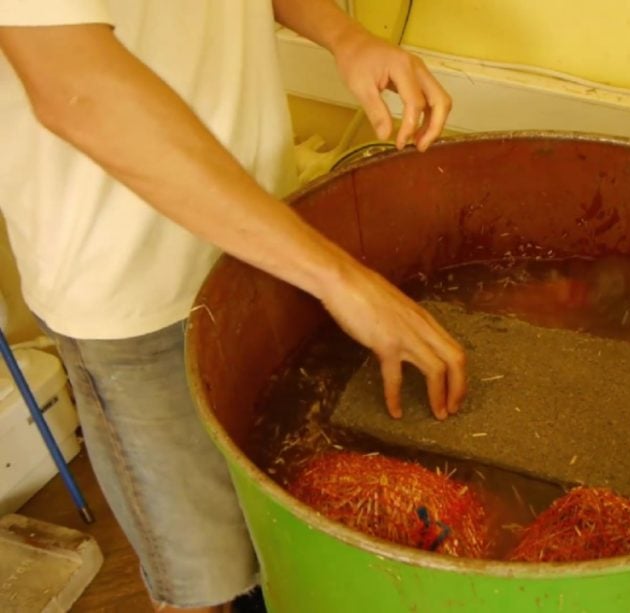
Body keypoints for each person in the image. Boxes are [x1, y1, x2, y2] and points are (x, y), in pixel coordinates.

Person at [0, 1, 467, 611]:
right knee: (205, 573)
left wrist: (344, 34)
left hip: (264, 238)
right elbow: (76, 88)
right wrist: (341, 279)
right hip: (133, 288)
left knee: (278, 520)